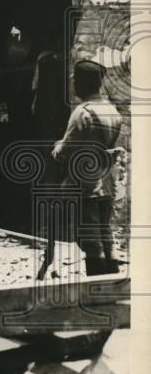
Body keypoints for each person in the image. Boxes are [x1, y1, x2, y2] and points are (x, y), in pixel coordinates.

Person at [52, 59, 123, 276]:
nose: (74, 86)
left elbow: (65, 151)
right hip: (108, 181)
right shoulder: (113, 110)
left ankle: (97, 290)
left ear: (82, 84)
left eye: (76, 82)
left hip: (86, 185)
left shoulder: (82, 113)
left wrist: (56, 149)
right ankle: (113, 288)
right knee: (106, 236)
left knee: (91, 240)